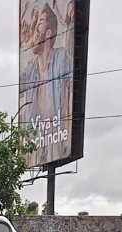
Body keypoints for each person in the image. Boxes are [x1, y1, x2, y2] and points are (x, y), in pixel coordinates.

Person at [19, 3, 73, 166]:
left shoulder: (61, 57)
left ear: (48, 33)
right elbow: (19, 88)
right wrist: (24, 43)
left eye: (40, 23)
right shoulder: (30, 67)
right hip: (35, 140)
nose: (35, 28)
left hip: (57, 136)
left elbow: (73, 90)